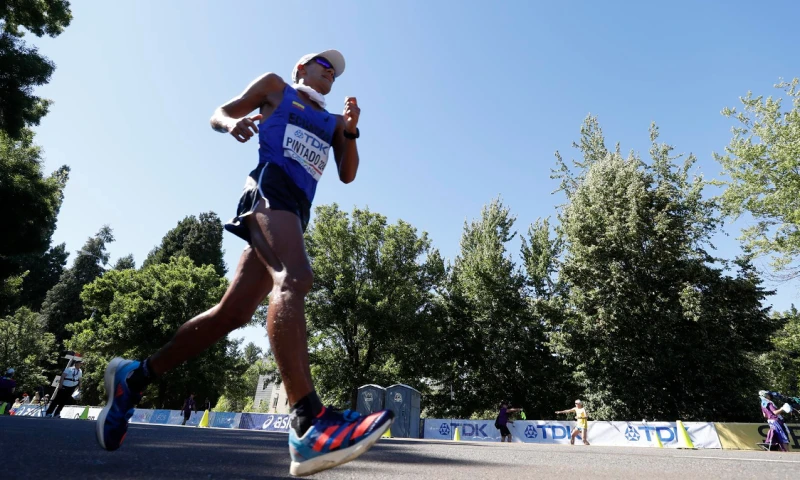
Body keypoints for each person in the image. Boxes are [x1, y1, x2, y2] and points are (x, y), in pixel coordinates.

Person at [95, 49, 393, 476]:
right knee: (293, 278)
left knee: (230, 315)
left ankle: (134, 379)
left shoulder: (331, 122)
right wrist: (231, 123)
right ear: (300, 68)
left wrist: (351, 131)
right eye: (321, 66)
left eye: (334, 73)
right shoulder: (276, 87)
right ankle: (308, 420)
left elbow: (348, 174)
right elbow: (220, 111)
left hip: (294, 212)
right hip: (268, 191)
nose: (329, 74)